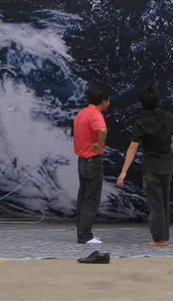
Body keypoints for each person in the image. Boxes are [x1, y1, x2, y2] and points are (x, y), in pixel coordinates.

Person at [117, 85, 173, 246]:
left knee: (155, 204)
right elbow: (172, 140)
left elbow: (133, 148)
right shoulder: (169, 117)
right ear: (158, 100)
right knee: (164, 202)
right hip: (167, 164)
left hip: (151, 166)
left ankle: (159, 239)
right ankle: (164, 235)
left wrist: (123, 172)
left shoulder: (141, 122)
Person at [73, 87, 110, 245]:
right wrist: (99, 144)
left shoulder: (82, 112)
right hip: (92, 160)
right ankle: (85, 235)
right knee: (91, 198)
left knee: (83, 197)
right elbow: (102, 130)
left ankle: (81, 231)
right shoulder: (96, 114)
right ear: (103, 102)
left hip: (81, 160)